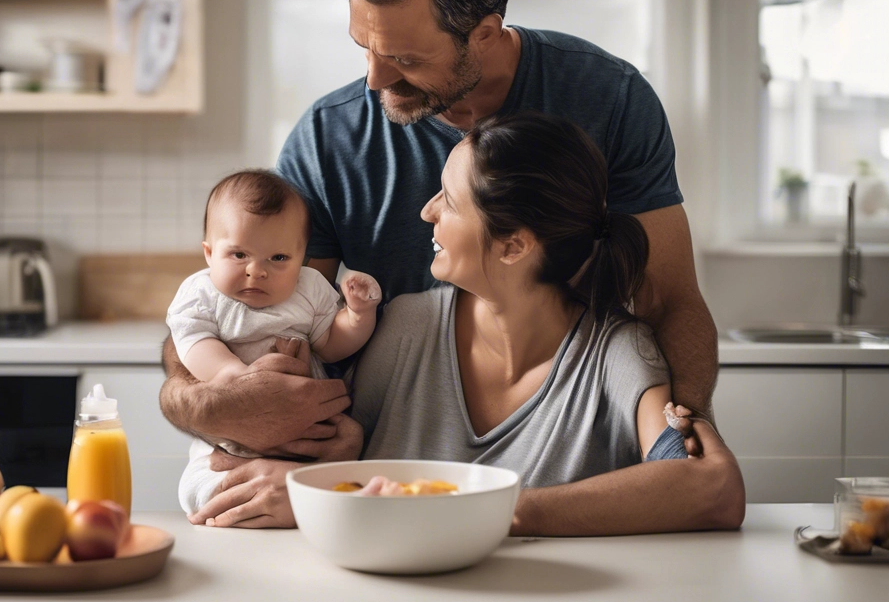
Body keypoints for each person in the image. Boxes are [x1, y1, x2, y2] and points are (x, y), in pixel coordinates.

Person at [160, 0, 714, 483]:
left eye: (404, 58)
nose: (375, 79)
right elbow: (270, 316)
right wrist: (235, 419)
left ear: (484, 33)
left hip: (562, 458)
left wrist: (679, 447)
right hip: (386, 459)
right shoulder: (329, 139)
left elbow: (668, 298)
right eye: (364, 48)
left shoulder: (609, 100)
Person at [187, 114, 744, 534]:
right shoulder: (403, 326)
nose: (428, 211)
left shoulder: (617, 352)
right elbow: (336, 450)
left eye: (449, 201)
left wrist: (503, 509)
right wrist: (323, 480)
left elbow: (712, 489)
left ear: (514, 245)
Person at [166, 170, 381, 514]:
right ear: (209, 253)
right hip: (230, 442)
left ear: (302, 258)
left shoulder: (309, 289)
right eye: (238, 255)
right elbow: (192, 340)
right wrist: (233, 374)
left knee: (330, 489)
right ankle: (227, 506)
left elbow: (331, 344)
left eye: (278, 258)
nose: (256, 270)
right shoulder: (201, 293)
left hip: (308, 440)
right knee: (200, 485)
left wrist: (357, 316)